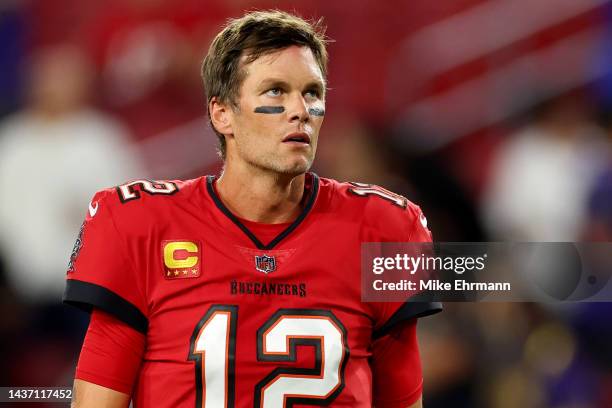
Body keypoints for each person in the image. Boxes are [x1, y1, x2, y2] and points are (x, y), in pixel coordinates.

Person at [64, 10, 441, 407]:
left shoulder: (384, 227)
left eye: (312, 92)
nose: (300, 110)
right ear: (221, 113)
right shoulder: (141, 225)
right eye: (275, 91)